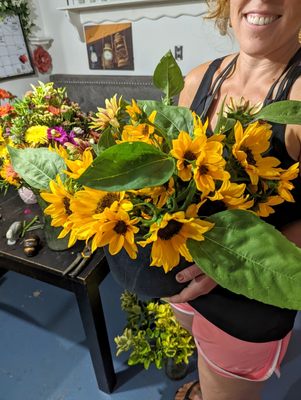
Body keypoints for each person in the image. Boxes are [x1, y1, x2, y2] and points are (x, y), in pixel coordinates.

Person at [166, 1, 301, 399]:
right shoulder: (195, 81)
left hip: (248, 299)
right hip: (186, 279)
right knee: (199, 344)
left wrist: (229, 260)